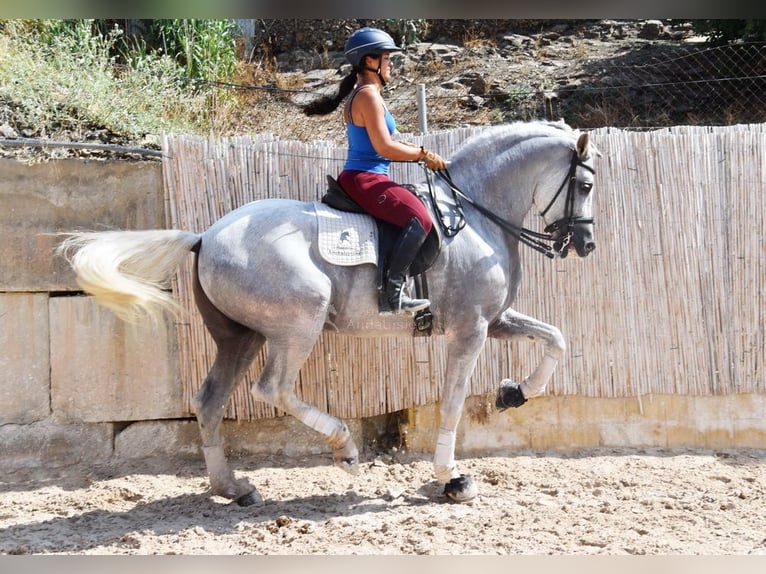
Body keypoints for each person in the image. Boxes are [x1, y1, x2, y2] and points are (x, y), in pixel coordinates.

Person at [303, 27, 447, 314]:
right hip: (365, 179)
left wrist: (412, 148)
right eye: (386, 57)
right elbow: (383, 148)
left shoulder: (366, 94)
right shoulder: (368, 95)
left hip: (366, 177)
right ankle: (392, 293)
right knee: (420, 219)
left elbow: (385, 142)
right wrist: (421, 155)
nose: (390, 63)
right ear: (370, 61)